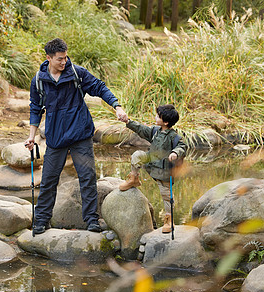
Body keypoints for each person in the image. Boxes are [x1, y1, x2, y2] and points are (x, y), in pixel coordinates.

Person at [24, 38, 128, 234]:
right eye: (60, 59)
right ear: (48, 58)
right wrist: (32, 136)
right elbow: (35, 108)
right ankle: (41, 220)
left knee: (87, 178)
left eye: (65, 58)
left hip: (80, 133)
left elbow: (99, 87)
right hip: (56, 136)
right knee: (48, 180)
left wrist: (116, 106)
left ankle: (91, 220)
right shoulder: (39, 80)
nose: (64, 62)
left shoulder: (76, 73)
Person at [119, 104, 186, 233]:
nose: (155, 117)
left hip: (164, 171)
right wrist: (128, 121)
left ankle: (169, 219)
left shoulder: (174, 136)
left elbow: (182, 147)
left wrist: (175, 153)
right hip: (151, 164)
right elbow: (142, 129)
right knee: (137, 156)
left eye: (158, 116)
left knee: (166, 195)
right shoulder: (155, 131)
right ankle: (133, 178)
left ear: (165, 122)